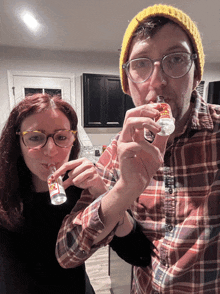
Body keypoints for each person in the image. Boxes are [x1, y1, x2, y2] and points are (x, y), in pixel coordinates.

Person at [55, 4, 220, 294]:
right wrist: (125, 189)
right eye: (141, 64)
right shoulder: (120, 149)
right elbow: (67, 253)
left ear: (196, 76)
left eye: (177, 59)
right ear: (128, 85)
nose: (158, 80)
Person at [0, 93, 107, 294]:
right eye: (35, 138)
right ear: (18, 142)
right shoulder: (3, 187)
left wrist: (103, 194)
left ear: (73, 139)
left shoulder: (83, 184)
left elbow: (136, 252)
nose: (50, 150)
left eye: (61, 137)